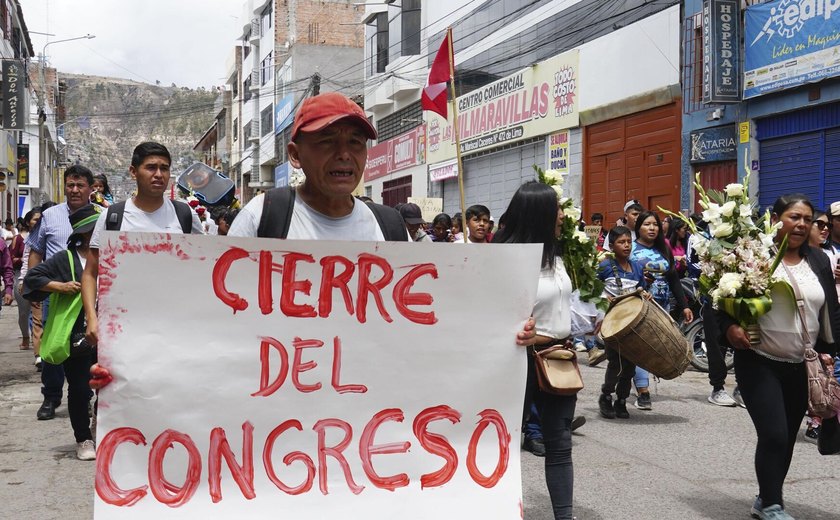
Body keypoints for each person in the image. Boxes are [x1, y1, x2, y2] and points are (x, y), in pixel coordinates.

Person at [90, 92, 537, 385]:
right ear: (295, 154)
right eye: (328, 141)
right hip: (271, 421)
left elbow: (436, 317)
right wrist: (132, 367)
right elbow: (205, 321)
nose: (345, 154)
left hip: (364, 428)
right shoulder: (264, 218)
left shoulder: (389, 228)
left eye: (356, 143)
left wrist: (499, 332)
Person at [720, 194, 839, 520]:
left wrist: (830, 353)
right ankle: (773, 505)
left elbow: (830, 310)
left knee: (785, 437)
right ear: (775, 219)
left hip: (802, 366)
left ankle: (767, 496)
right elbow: (719, 301)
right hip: (759, 362)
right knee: (773, 433)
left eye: (807, 218)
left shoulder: (818, 261)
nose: (801, 224)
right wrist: (730, 328)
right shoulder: (752, 257)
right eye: (793, 217)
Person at [493, 181, 575, 519]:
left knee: (560, 445)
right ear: (539, 213)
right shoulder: (505, 259)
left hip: (559, 361)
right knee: (502, 444)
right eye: (556, 208)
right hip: (518, 362)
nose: (562, 214)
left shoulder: (557, 256)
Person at [82, 142, 204, 347]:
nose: (158, 174)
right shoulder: (113, 217)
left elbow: (204, 268)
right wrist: (92, 318)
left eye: (164, 168)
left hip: (176, 329)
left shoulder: (185, 216)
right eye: (151, 167)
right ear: (133, 172)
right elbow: (90, 273)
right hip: (121, 329)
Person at [23, 204, 102, 460]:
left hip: (110, 333)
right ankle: (83, 439)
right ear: (84, 233)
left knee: (110, 387)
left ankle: (101, 426)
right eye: (94, 229)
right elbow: (32, 279)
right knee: (80, 388)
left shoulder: (114, 254)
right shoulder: (65, 259)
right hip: (76, 335)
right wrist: (60, 286)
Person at [27, 166, 95, 420]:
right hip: (57, 294)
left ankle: (85, 396)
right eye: (70, 185)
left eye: (80, 185)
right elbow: (35, 251)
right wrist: (36, 290)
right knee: (53, 345)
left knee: (86, 349)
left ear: (91, 188)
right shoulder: (50, 215)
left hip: (89, 297)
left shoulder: (101, 216)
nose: (74, 190)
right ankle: (51, 397)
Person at [630, 211, 693, 410]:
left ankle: (634, 383)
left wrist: (684, 306)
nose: (652, 228)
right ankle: (643, 390)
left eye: (655, 224)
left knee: (656, 346)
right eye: (647, 224)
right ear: (638, 227)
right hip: (639, 306)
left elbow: (673, 278)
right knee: (642, 346)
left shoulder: (663, 248)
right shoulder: (630, 248)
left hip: (663, 305)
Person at [597, 226, 647, 419]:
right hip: (613, 324)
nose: (626, 246)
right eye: (621, 242)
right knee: (615, 363)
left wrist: (645, 294)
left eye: (628, 242)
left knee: (630, 365)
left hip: (632, 325)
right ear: (611, 246)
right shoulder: (605, 266)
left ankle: (621, 400)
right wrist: (603, 297)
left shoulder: (636, 267)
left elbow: (641, 288)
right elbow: (593, 287)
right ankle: (606, 395)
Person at [11, 209, 37, 350]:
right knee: (24, 311)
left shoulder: (45, 236)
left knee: (38, 312)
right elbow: (12, 258)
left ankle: (37, 338)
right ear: (28, 222)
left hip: (39, 278)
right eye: (35, 219)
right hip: (20, 276)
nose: (38, 222)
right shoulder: (20, 238)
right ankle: (25, 337)